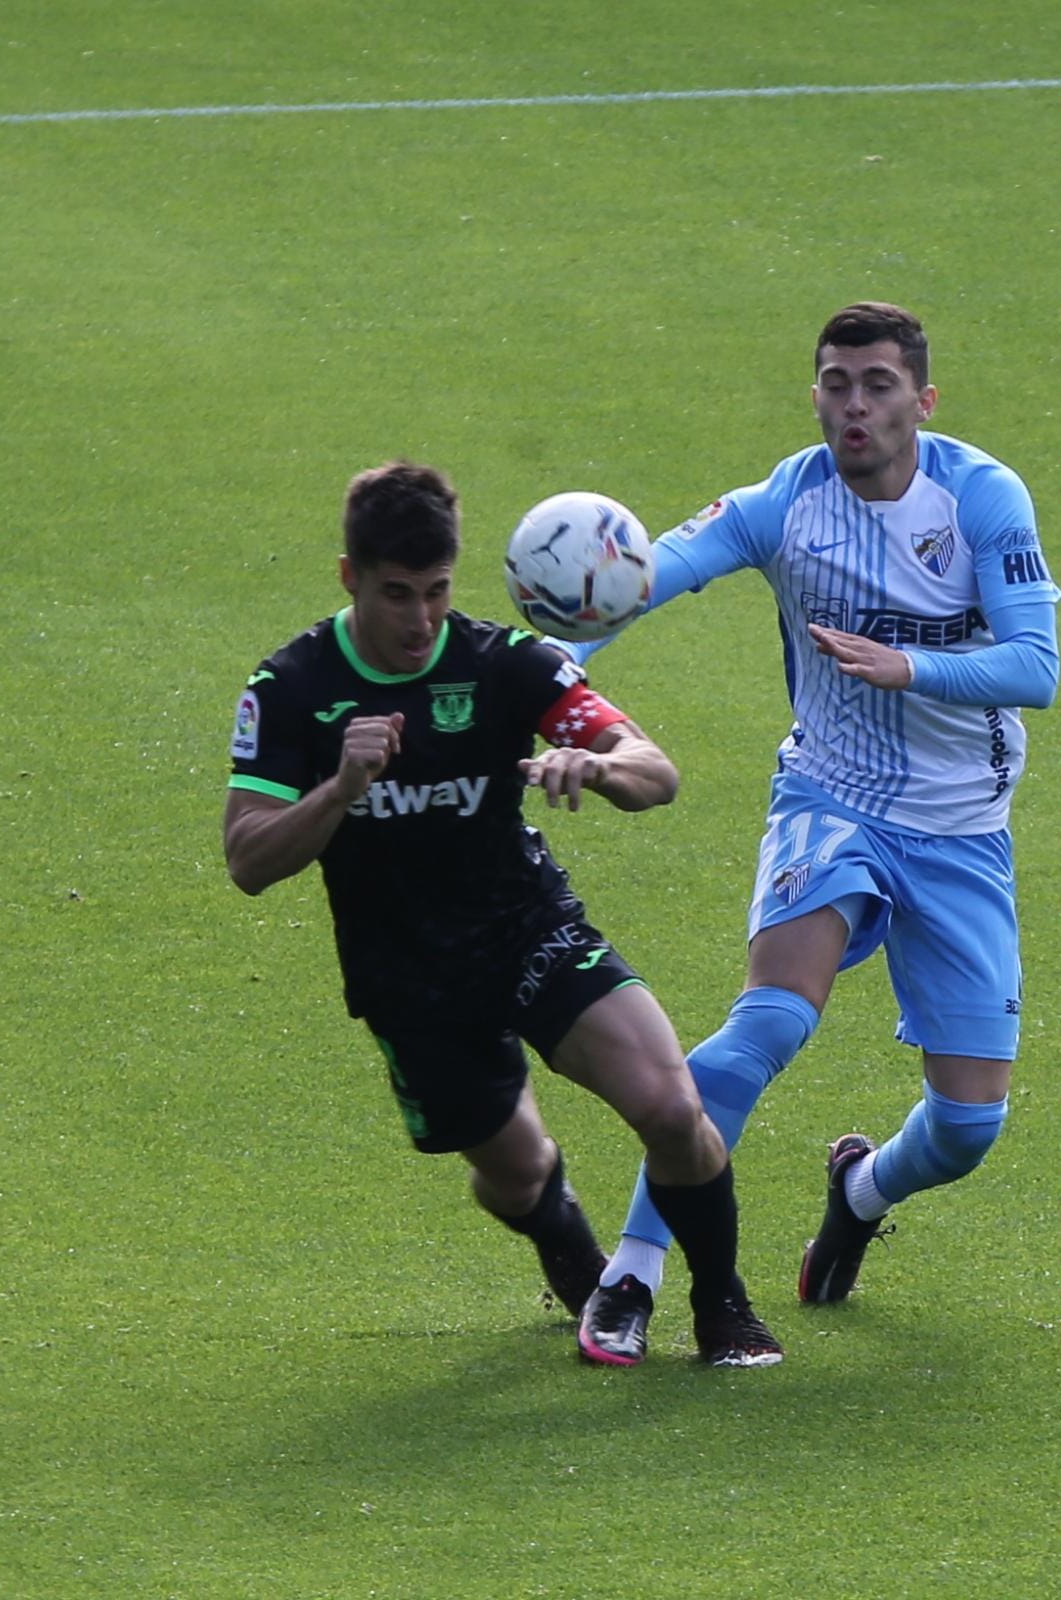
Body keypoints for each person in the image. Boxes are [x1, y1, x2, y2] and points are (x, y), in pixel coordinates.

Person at [570, 302, 1061, 1366]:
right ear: (816, 393)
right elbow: (653, 574)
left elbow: (1037, 666)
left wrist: (910, 665)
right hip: (830, 801)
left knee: (970, 1128)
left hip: (962, 826)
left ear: (922, 401)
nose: (855, 404)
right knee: (767, 1027)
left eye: (878, 383)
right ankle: (634, 1271)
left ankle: (860, 1188)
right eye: (836, 381)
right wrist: (554, 636)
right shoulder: (784, 504)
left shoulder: (981, 497)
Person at [222, 460, 782, 1367]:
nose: (419, 620)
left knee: (673, 1107)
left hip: (527, 929)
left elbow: (656, 772)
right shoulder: (292, 687)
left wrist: (595, 767)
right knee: (513, 1173)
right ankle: (573, 1252)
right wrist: (341, 788)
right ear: (349, 576)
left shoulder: (504, 663)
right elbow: (248, 861)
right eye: (396, 594)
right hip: (408, 975)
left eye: (437, 592)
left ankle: (724, 1310)